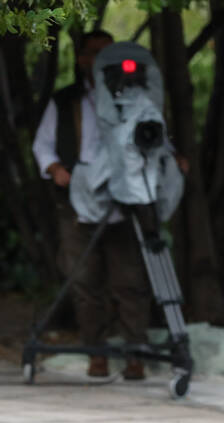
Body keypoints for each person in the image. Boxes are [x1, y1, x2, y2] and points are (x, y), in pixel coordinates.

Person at [32, 30, 150, 380]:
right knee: (84, 281)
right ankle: (95, 353)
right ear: (81, 58)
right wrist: (56, 170)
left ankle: (135, 353)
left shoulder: (133, 98)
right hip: (78, 202)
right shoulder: (65, 100)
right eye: (94, 52)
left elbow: (152, 136)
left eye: (107, 52)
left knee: (129, 281)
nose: (100, 59)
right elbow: (42, 145)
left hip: (122, 203)